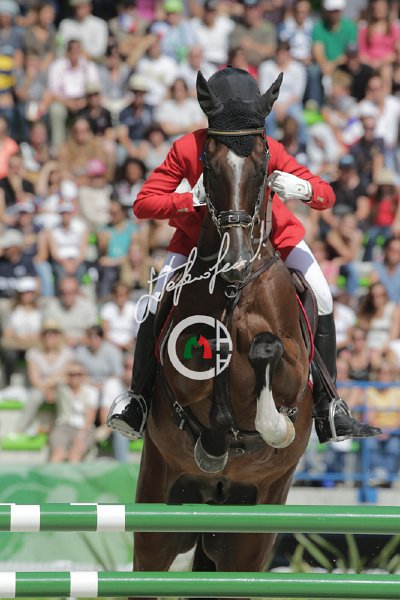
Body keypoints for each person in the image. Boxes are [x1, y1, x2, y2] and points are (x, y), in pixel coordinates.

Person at [107, 66, 380, 445]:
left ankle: (328, 404)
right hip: (197, 244)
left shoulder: (269, 148)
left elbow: (327, 195)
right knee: (154, 301)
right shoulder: (187, 148)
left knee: (323, 294)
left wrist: (303, 189)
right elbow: (143, 203)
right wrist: (187, 199)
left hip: (273, 237)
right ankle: (137, 400)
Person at [49, 360, 98, 463]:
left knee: (75, 454)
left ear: (83, 375)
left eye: (78, 374)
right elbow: (47, 388)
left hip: (84, 428)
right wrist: (63, 372)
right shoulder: (62, 388)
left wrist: (81, 435)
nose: (75, 377)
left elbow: (90, 417)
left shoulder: (91, 391)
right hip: (63, 426)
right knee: (57, 454)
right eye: (71, 374)